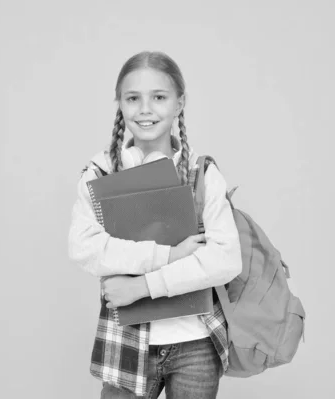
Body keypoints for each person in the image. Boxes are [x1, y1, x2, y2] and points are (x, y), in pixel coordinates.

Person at [68, 51, 242, 399]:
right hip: (127, 340)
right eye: (133, 98)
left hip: (196, 344)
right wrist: (170, 255)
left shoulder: (201, 173)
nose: (145, 109)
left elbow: (225, 260)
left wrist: (141, 286)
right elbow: (84, 248)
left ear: (180, 103)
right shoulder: (99, 172)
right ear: (120, 104)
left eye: (159, 97)